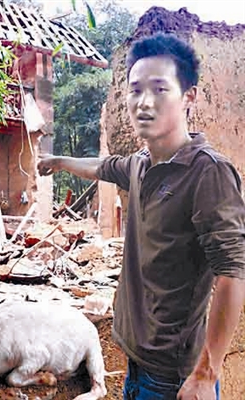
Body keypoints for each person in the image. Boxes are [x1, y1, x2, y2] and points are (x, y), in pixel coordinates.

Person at [37, 33, 245, 400]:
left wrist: (206, 373)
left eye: (160, 89)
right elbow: (100, 166)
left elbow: (232, 270)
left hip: (173, 378)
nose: (144, 102)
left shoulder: (207, 172)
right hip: (135, 363)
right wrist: (58, 161)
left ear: (189, 97)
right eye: (135, 91)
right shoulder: (140, 165)